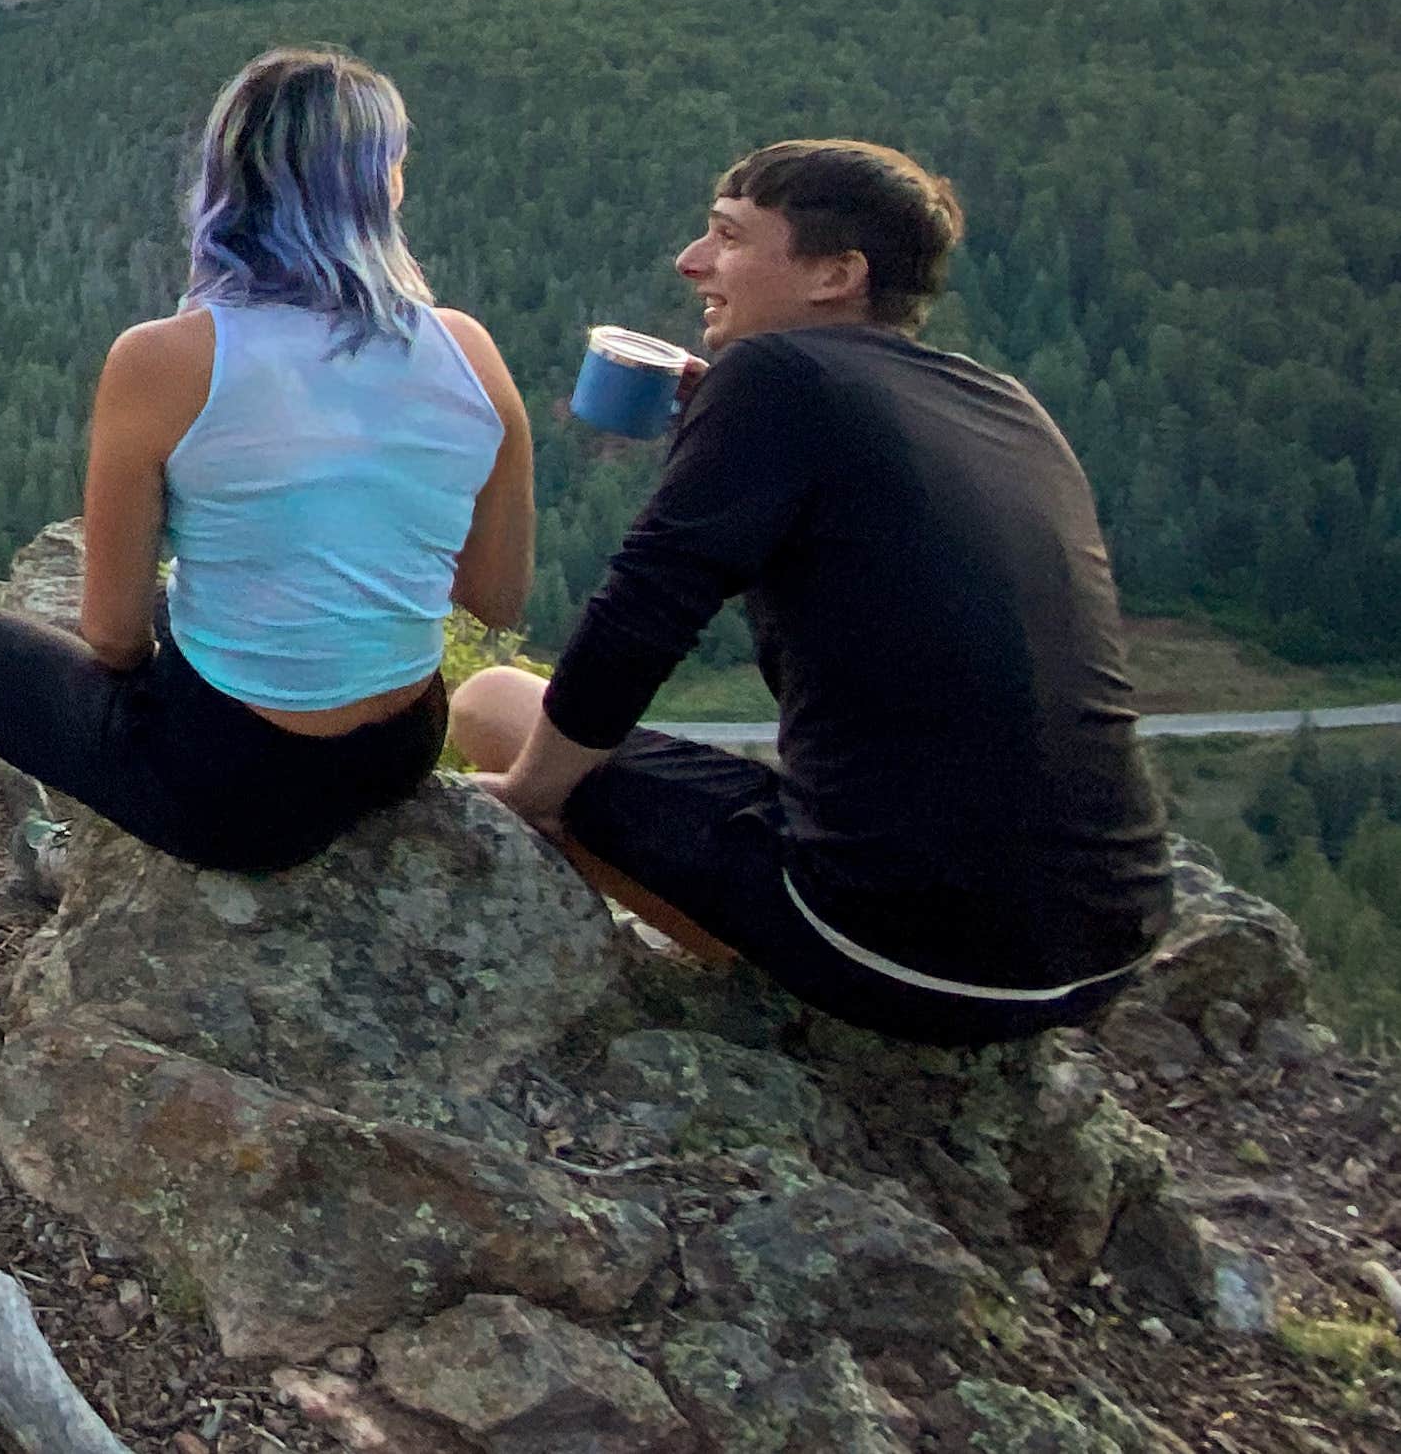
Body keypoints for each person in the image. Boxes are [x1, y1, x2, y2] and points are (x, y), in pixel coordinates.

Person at [0, 46, 536, 1043]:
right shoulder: (469, 348)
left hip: (232, 794)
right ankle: (55, 850)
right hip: (395, 748)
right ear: (374, 185)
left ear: (231, 184)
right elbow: (497, 598)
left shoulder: (167, 360)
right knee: (198, 612)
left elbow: (113, 634)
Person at [452, 140, 1171, 1047]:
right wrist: (725, 430)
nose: (690, 261)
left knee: (493, 704)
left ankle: (772, 994)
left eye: (727, 236)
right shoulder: (1004, 404)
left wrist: (527, 798)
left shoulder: (775, 378)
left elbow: (643, 612)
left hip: (918, 955)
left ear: (835, 274)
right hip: (1104, 943)